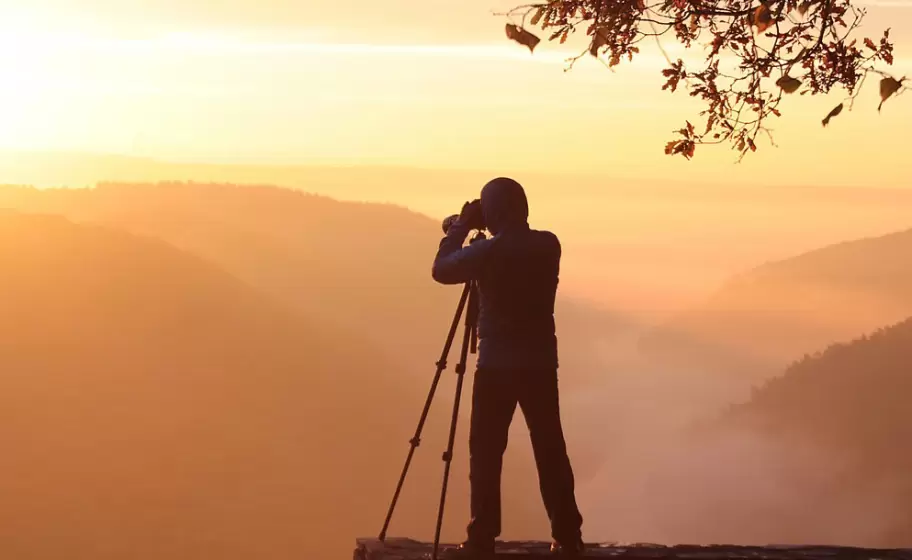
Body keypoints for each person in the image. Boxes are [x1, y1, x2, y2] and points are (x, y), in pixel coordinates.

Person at [432, 177, 584, 559]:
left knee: (485, 453)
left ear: (493, 211)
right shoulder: (548, 245)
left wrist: (461, 226)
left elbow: (441, 269)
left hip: (495, 367)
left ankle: (481, 538)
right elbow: (512, 246)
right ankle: (568, 536)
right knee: (549, 448)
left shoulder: (487, 252)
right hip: (540, 364)